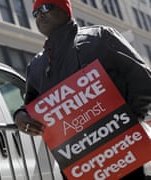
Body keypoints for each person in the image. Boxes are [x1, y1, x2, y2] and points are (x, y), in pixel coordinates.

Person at [13, 0, 151, 179]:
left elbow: (143, 81)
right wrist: (19, 116)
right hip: (78, 166)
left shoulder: (100, 37)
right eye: (36, 12)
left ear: (65, 11)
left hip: (121, 156)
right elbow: (31, 105)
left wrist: (125, 122)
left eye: (46, 7)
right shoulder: (36, 66)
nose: (40, 14)